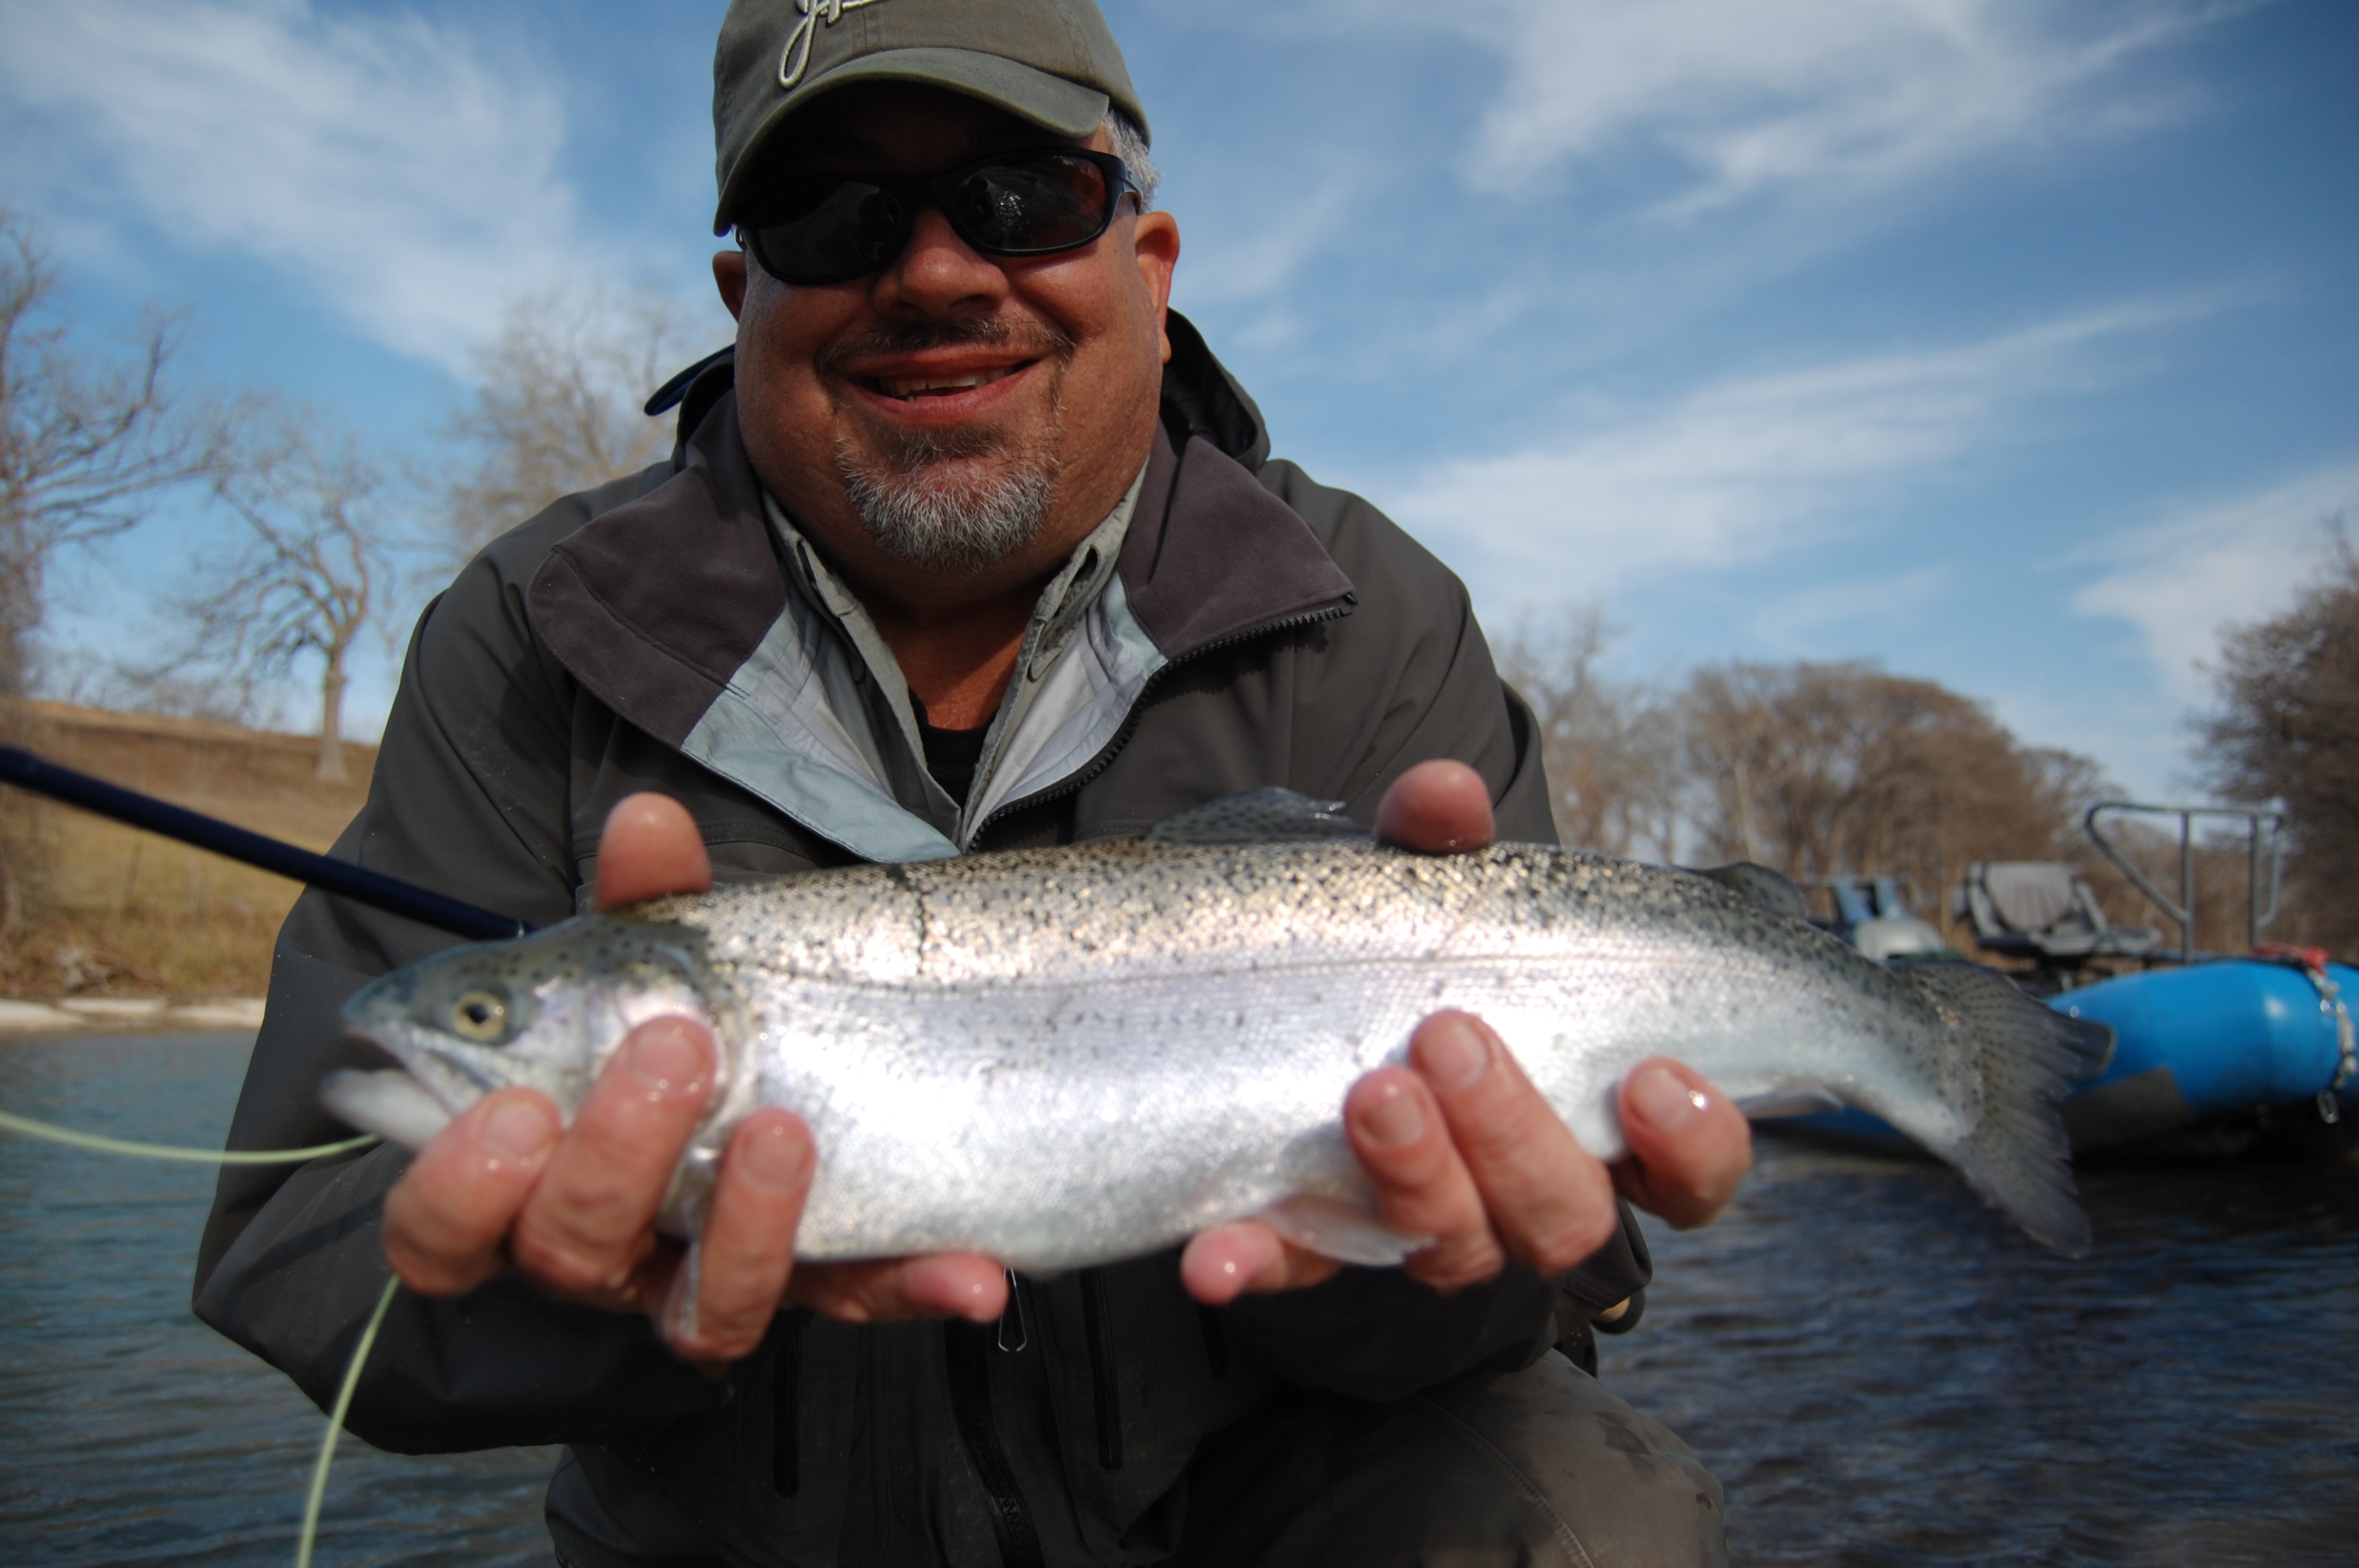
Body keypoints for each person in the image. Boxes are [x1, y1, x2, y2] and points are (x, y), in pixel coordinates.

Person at [194, 2, 1754, 1563]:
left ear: (1147, 265)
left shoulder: (1364, 609)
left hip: (1270, 1501)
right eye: (835, 215)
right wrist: (584, 1281)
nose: (934, 271)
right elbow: (295, 1238)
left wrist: (1411, 1259)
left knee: (1593, 1509)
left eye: (1023, 196)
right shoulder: (539, 628)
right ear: (747, 297)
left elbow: (1567, 1258)